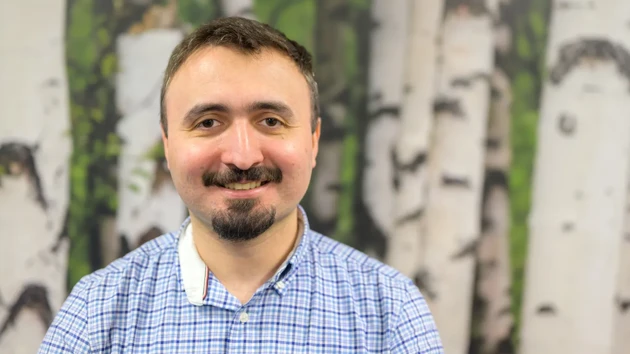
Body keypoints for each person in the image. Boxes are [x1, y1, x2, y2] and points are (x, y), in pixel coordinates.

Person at [38, 16, 443, 353]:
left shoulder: (390, 310)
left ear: (314, 140)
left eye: (271, 121)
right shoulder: (95, 312)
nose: (243, 156)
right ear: (167, 143)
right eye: (208, 122)